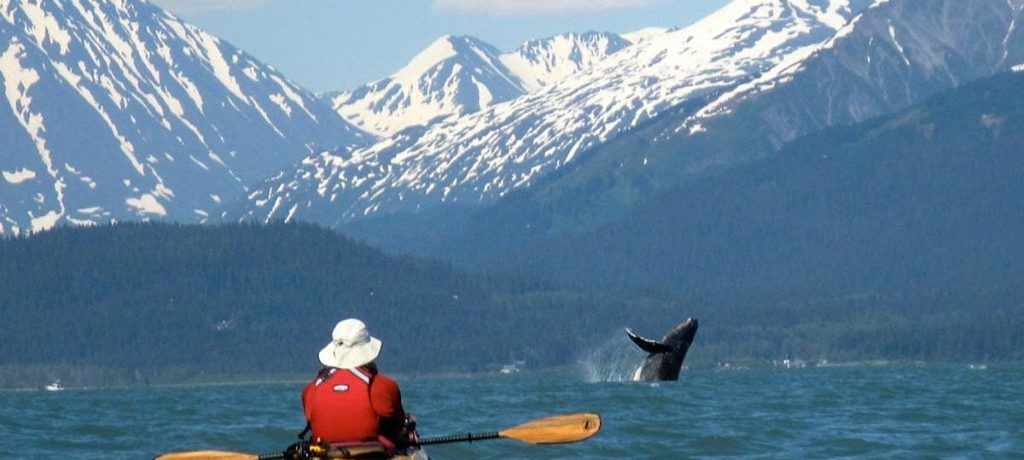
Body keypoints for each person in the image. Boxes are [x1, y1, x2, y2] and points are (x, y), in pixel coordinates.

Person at [301, 318, 410, 449]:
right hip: (373, 455)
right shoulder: (384, 386)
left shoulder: (311, 390)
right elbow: (397, 430)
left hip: (327, 453)